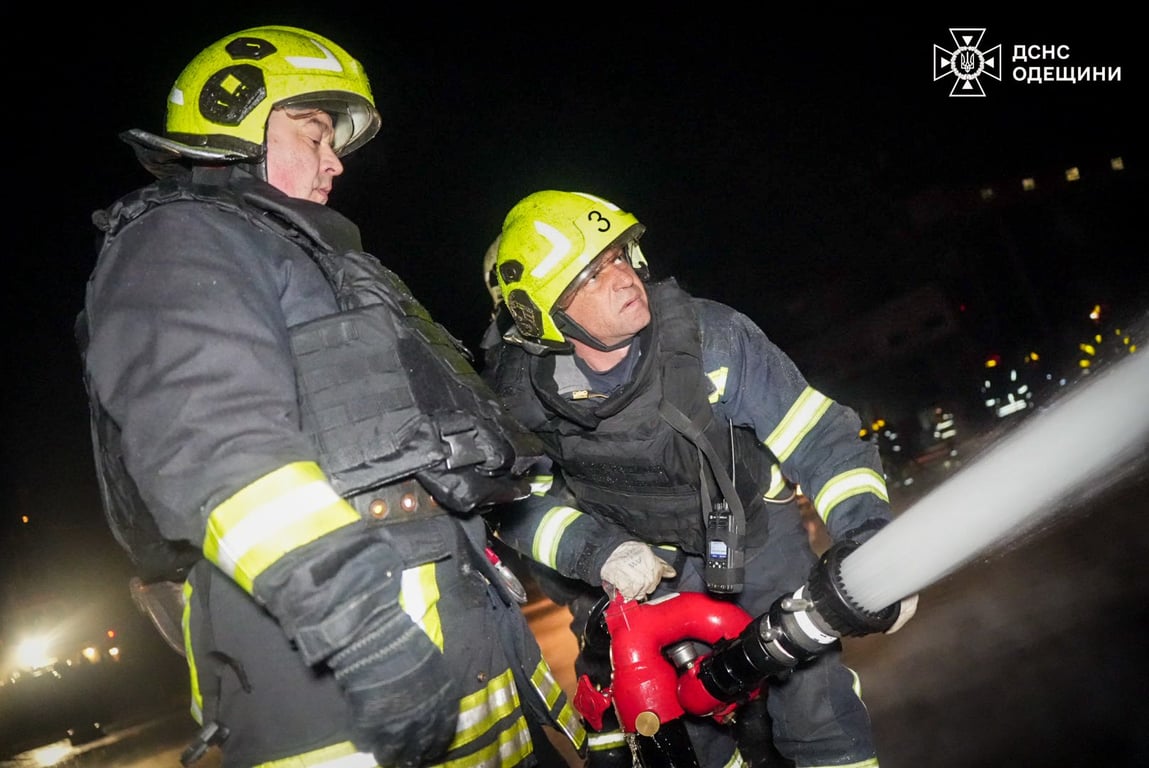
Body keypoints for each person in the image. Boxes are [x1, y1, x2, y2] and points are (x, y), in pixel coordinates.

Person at [76, 27, 585, 768]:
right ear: (236, 122)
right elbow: (213, 444)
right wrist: (360, 629)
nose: (334, 160)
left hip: (461, 645)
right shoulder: (178, 239)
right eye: (313, 134)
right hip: (329, 681)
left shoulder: (317, 263)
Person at [481, 190, 918, 768]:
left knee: (816, 706)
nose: (623, 277)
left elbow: (820, 438)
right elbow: (516, 506)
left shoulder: (713, 338)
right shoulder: (521, 399)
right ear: (542, 313)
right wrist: (599, 552)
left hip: (755, 537)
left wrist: (870, 542)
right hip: (646, 570)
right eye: (592, 274)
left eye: (619, 256)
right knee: (687, 734)